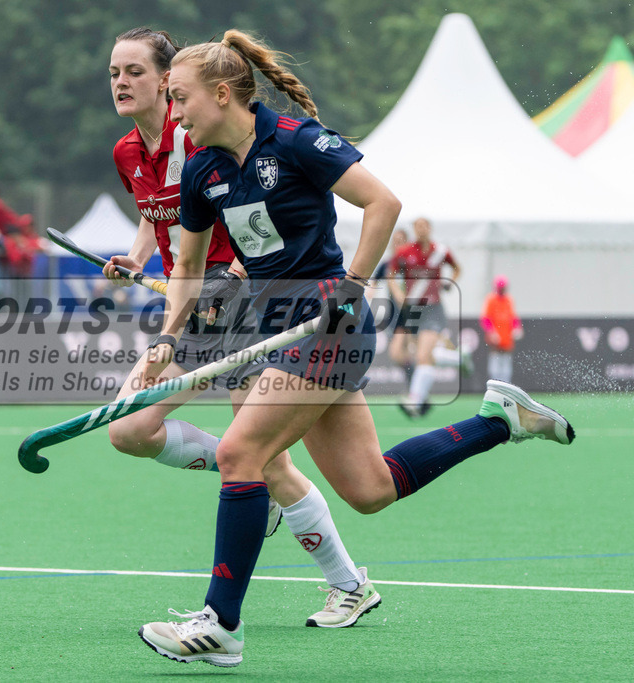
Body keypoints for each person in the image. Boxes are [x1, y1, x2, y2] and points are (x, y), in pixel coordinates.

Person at [135, 30, 575, 667]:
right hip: (271, 329)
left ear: (223, 94)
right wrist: (170, 334)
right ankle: (498, 420)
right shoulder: (201, 169)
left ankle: (219, 625)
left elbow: (382, 202)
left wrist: (352, 285)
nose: (173, 115)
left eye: (180, 99)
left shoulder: (293, 140)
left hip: (329, 325)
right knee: (370, 489)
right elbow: (190, 264)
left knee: (240, 451)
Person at [103, 27, 376, 629]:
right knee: (130, 429)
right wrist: (140, 258)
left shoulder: (204, 130)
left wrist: (234, 274)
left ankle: (344, 583)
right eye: (114, 73)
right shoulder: (128, 152)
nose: (122, 83)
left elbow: (253, 219)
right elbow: (162, 220)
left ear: (170, 80)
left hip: (243, 303)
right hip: (190, 307)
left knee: (263, 459)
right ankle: (247, 490)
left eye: (135, 73)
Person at [387, 217, 461, 418]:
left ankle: (416, 400)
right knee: (406, 354)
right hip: (412, 310)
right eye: (417, 227)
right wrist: (398, 294)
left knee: (422, 356)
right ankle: (459, 359)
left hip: (433, 310)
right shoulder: (404, 252)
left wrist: (449, 283)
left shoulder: (440, 251)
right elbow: (391, 275)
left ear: (430, 228)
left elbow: (457, 268)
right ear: (414, 230)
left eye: (424, 226)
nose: (421, 230)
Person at [481, 275, 522, 382]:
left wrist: (517, 328)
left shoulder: (509, 299)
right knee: (495, 362)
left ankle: (506, 385)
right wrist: (492, 332)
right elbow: (485, 319)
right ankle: (495, 385)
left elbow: (513, 317)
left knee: (506, 363)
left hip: (506, 338)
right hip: (495, 339)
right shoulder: (491, 299)